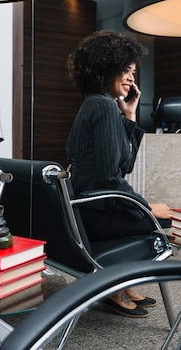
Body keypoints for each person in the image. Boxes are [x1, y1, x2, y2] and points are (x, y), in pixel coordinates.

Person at [65, 30, 173, 319]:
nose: (130, 78)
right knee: (162, 218)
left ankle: (120, 284)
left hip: (88, 207)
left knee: (153, 214)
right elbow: (110, 178)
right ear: (106, 68)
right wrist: (146, 207)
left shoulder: (99, 104)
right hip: (96, 210)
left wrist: (130, 116)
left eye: (133, 72)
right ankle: (114, 286)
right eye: (125, 70)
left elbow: (121, 164)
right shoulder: (102, 106)